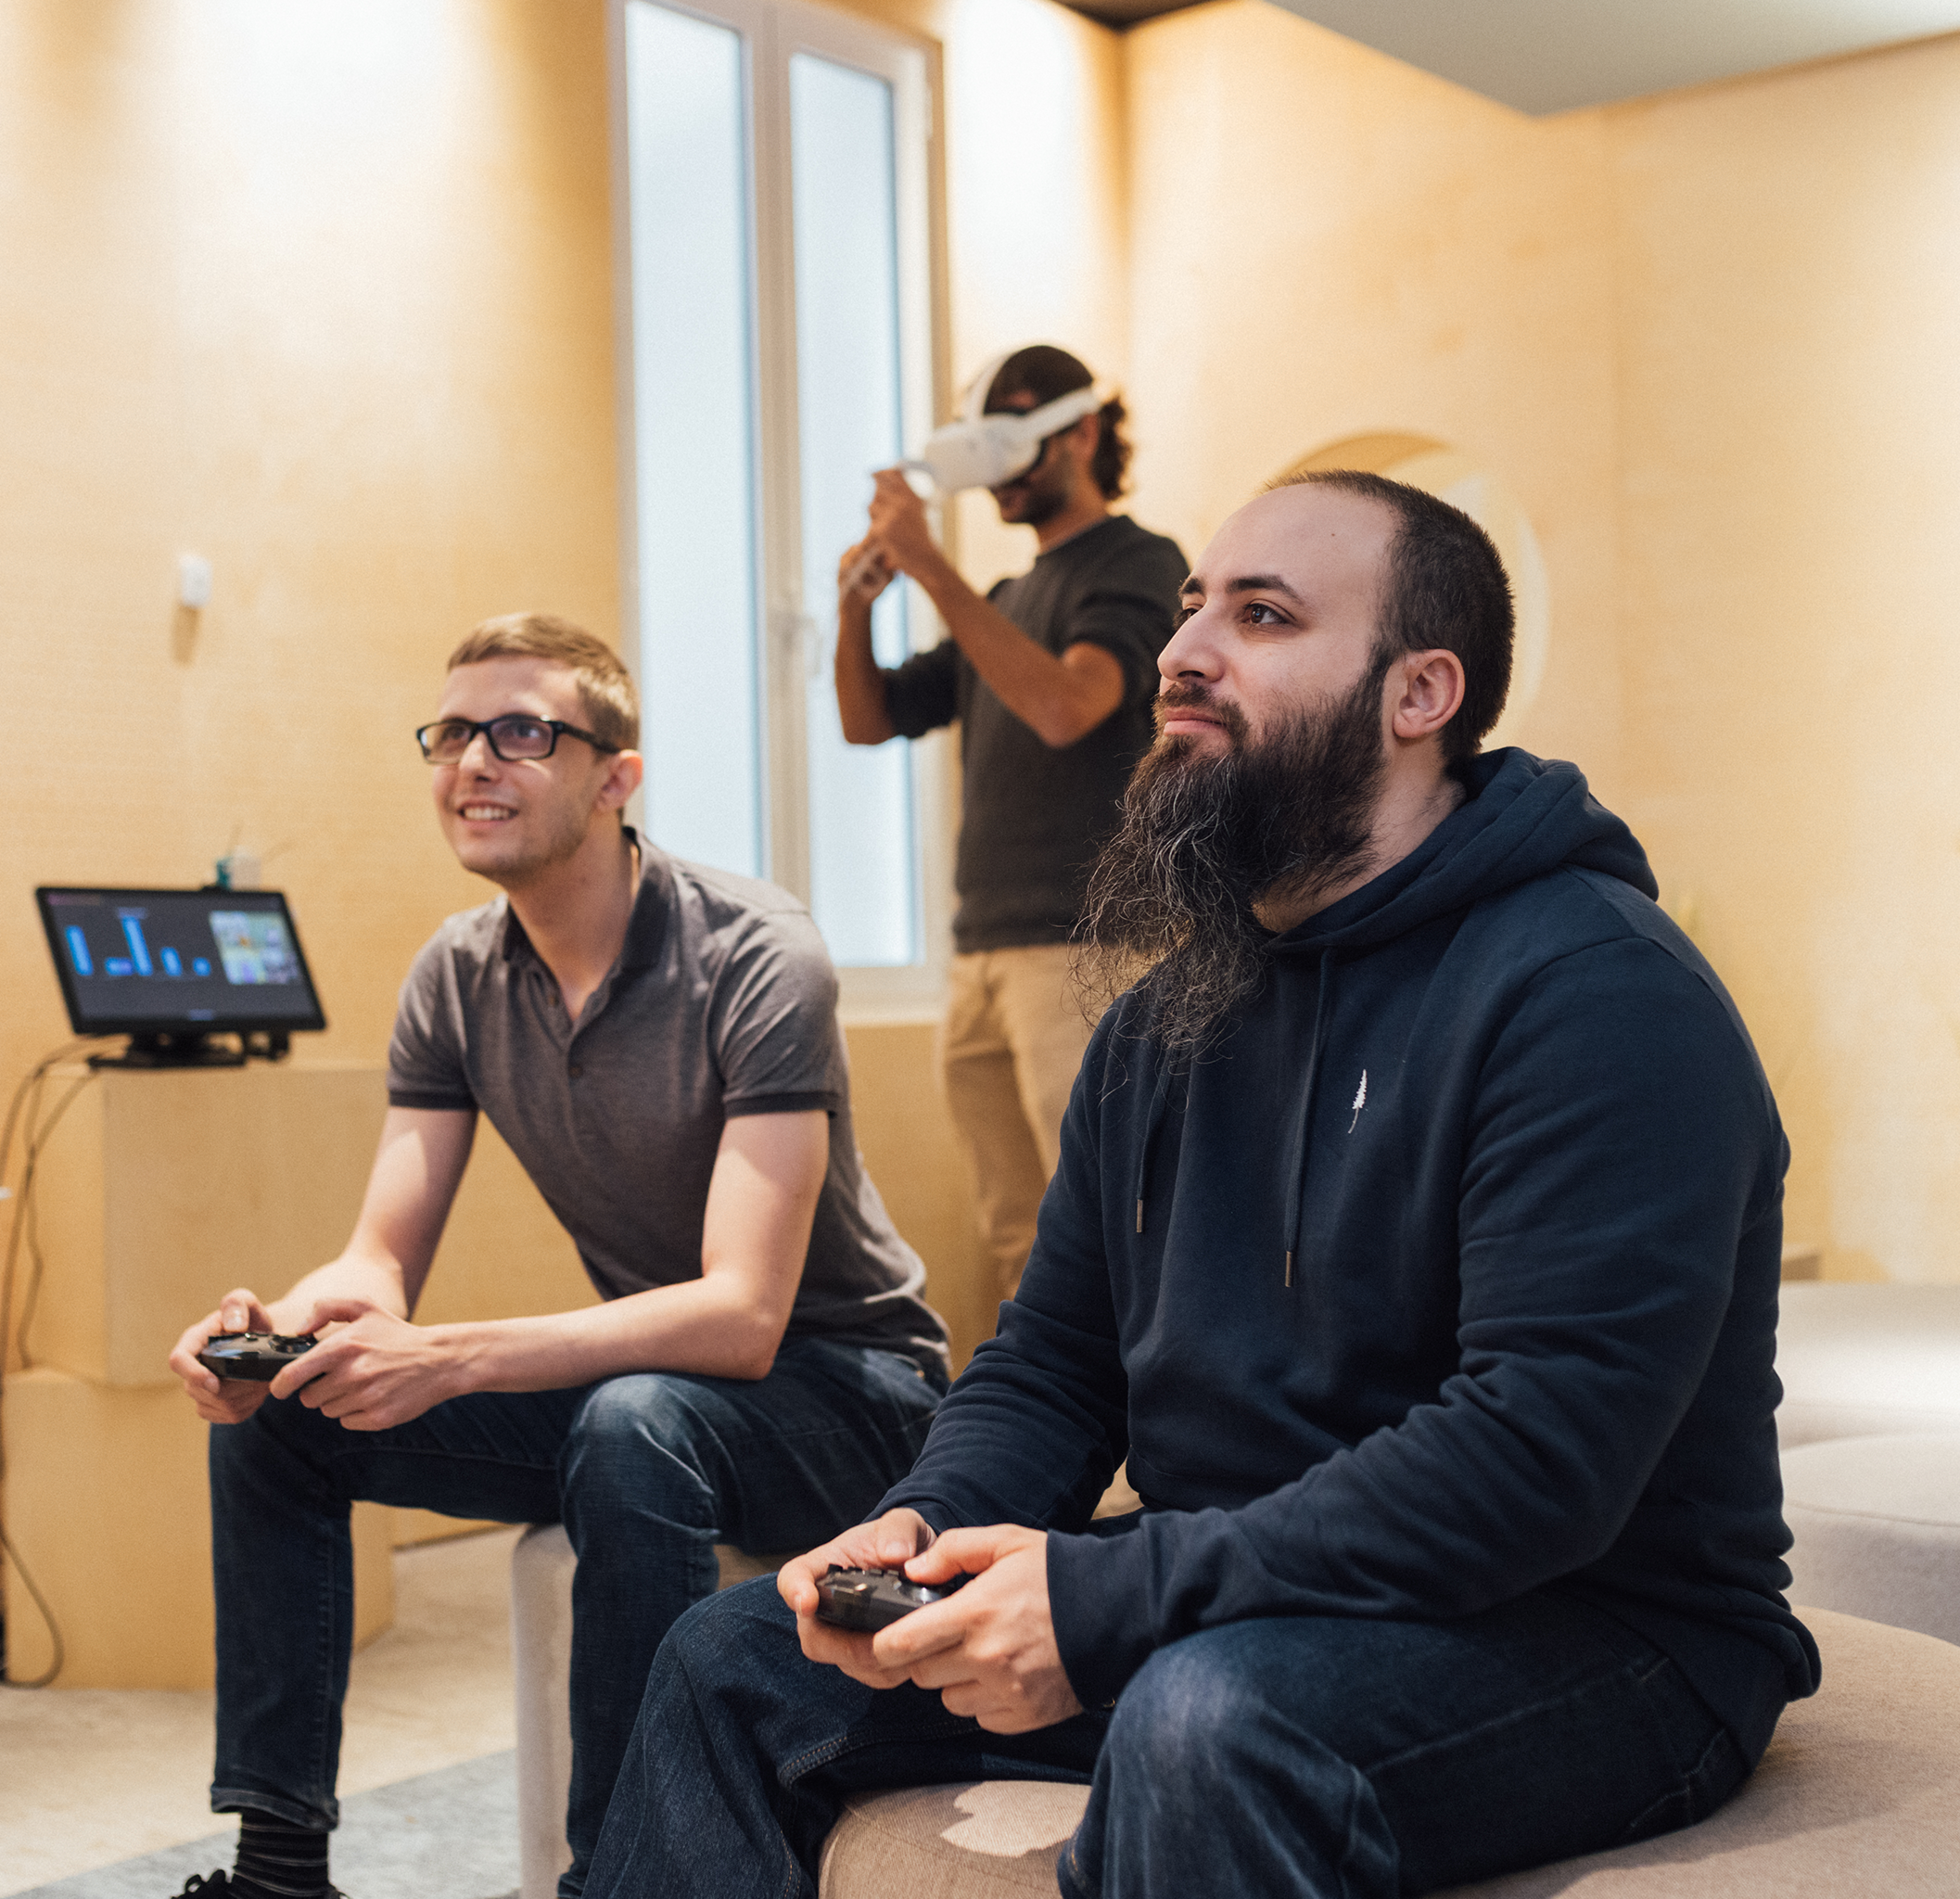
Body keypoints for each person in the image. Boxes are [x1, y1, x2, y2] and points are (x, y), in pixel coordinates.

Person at [582, 474, 1821, 1898]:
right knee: (731, 1657)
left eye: (1264, 615)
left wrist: (1113, 1601)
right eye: (1191, 610)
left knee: (1208, 1721)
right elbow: (1054, 1363)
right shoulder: (1165, 1020)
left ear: (1420, 693)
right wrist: (922, 1522)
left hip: (1599, 1627)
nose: (1183, 652)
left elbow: (1536, 1461)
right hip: (1244, 1588)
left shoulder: (1596, 994)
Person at [165, 613, 950, 1899]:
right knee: (281, 1420)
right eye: (453, 733)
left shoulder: (756, 954)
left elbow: (746, 1315)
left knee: (634, 1423)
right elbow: (377, 1260)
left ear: (617, 776)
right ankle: (276, 1868)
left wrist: (455, 1361)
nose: (476, 760)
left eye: (522, 731)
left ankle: (621, 1877)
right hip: (662, 1390)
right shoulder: (456, 975)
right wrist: (278, 1331)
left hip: (853, 1397)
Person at [834, 343, 1187, 1305]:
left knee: (1118, 1229)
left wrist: (932, 569)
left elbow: (1070, 704)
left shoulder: (1140, 563)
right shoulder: (1002, 601)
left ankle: (1145, 1459)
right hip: (983, 953)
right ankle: (1045, 1450)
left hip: (1090, 949)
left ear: (1079, 432)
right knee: (1020, 1244)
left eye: (1015, 431)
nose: (995, 469)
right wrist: (855, 609)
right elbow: (868, 721)